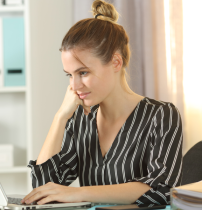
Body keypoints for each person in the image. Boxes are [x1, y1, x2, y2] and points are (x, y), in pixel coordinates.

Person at [22, 0, 183, 206]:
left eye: (83, 73)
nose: (75, 85)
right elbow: (44, 188)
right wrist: (60, 116)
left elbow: (162, 190)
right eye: (69, 75)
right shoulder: (80, 118)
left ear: (116, 62)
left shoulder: (161, 115)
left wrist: (78, 193)